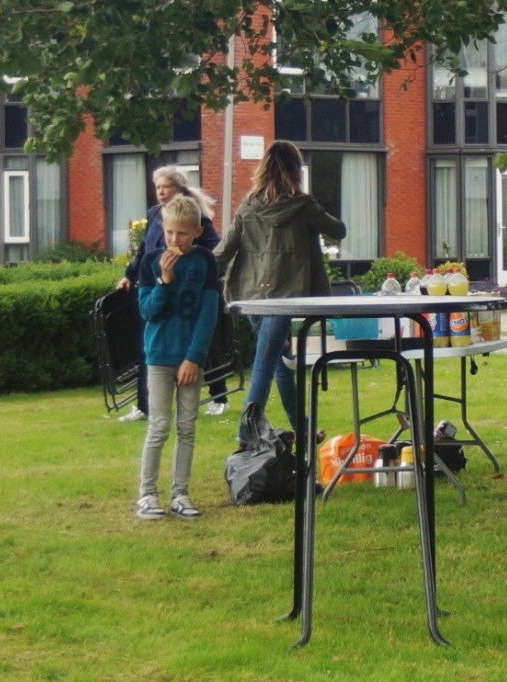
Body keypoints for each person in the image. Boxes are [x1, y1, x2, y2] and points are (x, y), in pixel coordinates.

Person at [214, 140, 346, 446]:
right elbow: (338, 231)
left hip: (250, 297)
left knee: (279, 362)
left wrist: (190, 262)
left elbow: (224, 251)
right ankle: (245, 434)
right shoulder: (303, 206)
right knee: (265, 364)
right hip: (285, 298)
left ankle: (305, 430)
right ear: (295, 170)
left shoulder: (249, 204)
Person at [116, 166, 230, 422]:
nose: (161, 192)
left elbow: (215, 248)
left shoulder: (193, 216)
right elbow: (144, 251)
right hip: (159, 286)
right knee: (151, 341)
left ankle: (218, 395)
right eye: (157, 187)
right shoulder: (155, 214)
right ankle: (145, 406)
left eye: (165, 186)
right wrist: (130, 274)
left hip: (191, 289)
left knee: (200, 342)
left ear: (178, 189)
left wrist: (195, 261)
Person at [134, 194, 221, 520]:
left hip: (189, 358)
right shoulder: (150, 262)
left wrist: (193, 358)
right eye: (169, 233)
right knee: (158, 426)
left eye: (182, 233)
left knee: (187, 427)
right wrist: (164, 282)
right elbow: (148, 312)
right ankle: (146, 495)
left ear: (196, 232)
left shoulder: (205, 262)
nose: (174, 240)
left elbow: (208, 314)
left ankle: (180, 494)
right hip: (158, 356)